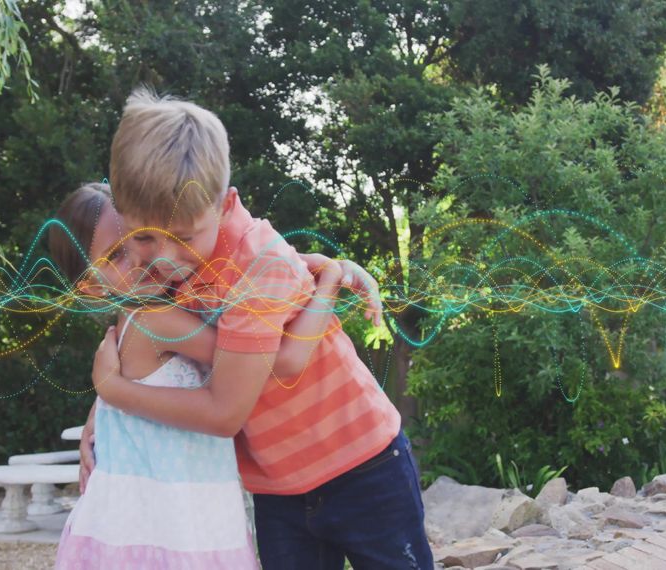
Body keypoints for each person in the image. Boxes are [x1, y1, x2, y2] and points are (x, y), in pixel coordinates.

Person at [87, 87, 434, 569]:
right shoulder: (178, 265)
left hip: (360, 463)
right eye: (143, 237)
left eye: (183, 238)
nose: (163, 259)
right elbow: (151, 353)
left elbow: (227, 411)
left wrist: (114, 390)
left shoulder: (257, 263)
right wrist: (99, 417)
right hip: (279, 487)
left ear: (226, 203)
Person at [48, 182, 353, 569]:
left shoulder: (169, 302)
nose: (140, 257)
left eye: (141, 238)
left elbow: (256, 275)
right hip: (174, 521)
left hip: (149, 516)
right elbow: (275, 360)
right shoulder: (155, 319)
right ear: (90, 288)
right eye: (117, 255)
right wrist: (330, 279)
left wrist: (105, 399)